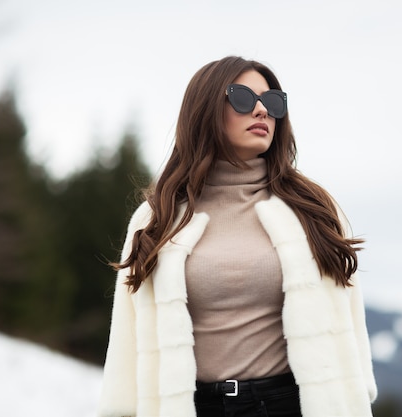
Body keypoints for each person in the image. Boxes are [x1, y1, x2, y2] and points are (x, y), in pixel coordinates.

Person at [98, 56, 377, 417]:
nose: (262, 110)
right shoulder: (157, 218)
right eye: (243, 98)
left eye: (273, 101)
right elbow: (127, 338)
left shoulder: (314, 209)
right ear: (205, 109)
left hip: (289, 405)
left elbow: (350, 326)